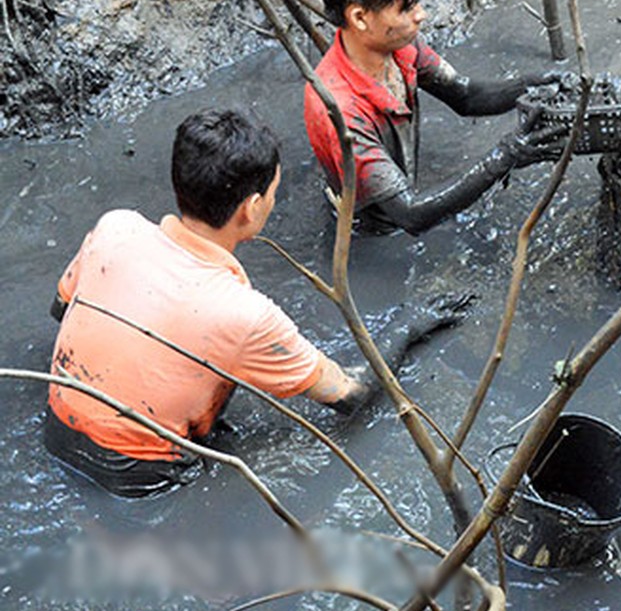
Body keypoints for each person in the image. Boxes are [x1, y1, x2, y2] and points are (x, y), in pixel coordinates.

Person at [44, 110, 460, 498]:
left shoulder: (116, 226)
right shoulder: (245, 313)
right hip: (140, 476)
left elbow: (62, 310)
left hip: (56, 434)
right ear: (253, 207)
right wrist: (407, 325)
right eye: (274, 192)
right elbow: (349, 395)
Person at [304, 0, 567, 234]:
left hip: (400, 202)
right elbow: (411, 215)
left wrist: (540, 83)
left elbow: (465, 95)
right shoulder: (340, 110)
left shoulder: (400, 48)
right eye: (407, 7)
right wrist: (503, 157)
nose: (421, 15)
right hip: (372, 234)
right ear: (360, 17)